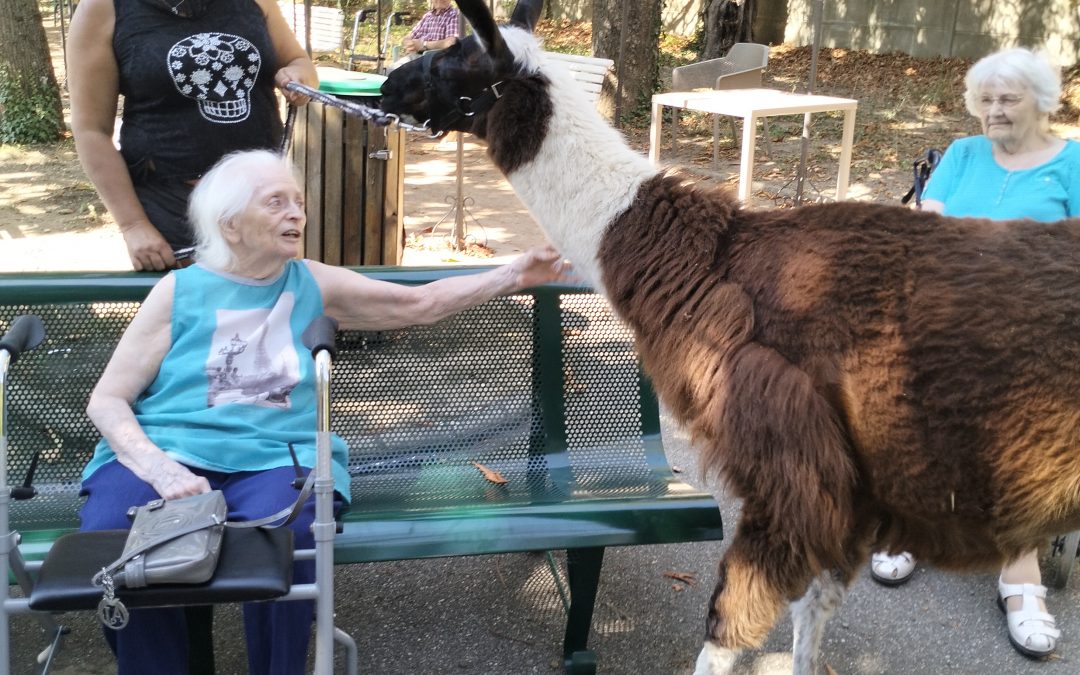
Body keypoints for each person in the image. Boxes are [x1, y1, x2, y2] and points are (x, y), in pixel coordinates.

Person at [79, 149, 569, 674]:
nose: (297, 214)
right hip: (169, 451)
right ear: (231, 225)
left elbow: (418, 304)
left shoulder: (311, 281)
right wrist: (159, 468)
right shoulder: (179, 290)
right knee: (116, 538)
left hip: (277, 457)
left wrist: (514, 273)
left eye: (298, 202)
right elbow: (106, 399)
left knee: (291, 540)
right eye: (276, 203)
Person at [870, 47, 1080, 659]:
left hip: (1040, 328)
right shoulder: (961, 156)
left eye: (1008, 99)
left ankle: (1020, 576)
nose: (994, 111)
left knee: (1022, 419)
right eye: (985, 100)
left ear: (1042, 102)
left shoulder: (1073, 163)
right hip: (949, 317)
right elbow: (925, 236)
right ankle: (915, 526)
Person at [67, 0, 318, 272]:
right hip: (172, 210)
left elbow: (298, 61)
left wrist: (300, 76)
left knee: (271, 310)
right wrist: (134, 226)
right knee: (192, 311)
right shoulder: (104, 8)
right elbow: (91, 130)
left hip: (260, 204)